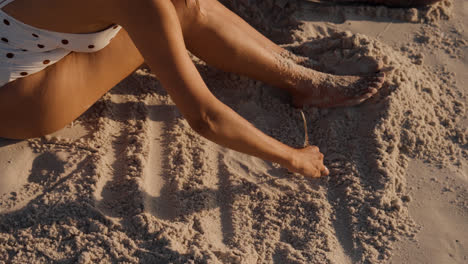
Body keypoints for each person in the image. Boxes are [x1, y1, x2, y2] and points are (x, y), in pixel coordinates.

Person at [0, 0, 391, 179]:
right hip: (21, 98)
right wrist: (293, 156)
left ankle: (290, 67)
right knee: (177, 11)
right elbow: (204, 116)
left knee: (181, 4)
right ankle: (301, 81)